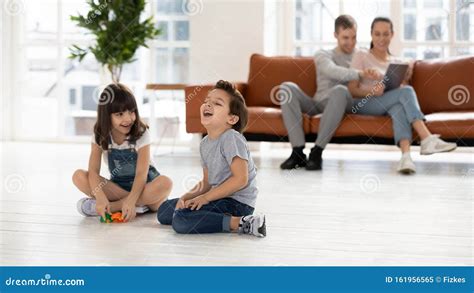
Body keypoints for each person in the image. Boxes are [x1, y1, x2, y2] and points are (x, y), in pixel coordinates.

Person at [157, 80, 266, 237]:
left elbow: (241, 180)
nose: (208, 105)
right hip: (217, 198)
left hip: (237, 203)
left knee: (181, 220)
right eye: (207, 101)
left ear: (232, 119)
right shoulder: (204, 144)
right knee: (165, 210)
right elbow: (207, 182)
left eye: (217, 103)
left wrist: (205, 198)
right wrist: (185, 197)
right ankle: (207, 216)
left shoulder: (231, 138)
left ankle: (241, 222)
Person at [348, 17, 457, 174]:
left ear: (392, 35)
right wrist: (372, 91)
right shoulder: (361, 55)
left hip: (387, 102)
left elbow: (397, 90)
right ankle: (426, 138)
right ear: (371, 35)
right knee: (406, 92)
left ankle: (406, 157)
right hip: (363, 103)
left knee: (399, 106)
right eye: (377, 34)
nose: (381, 39)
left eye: (386, 34)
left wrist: (402, 79)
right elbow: (351, 90)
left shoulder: (396, 61)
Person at [280, 14, 379, 171]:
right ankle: (297, 152)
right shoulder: (323, 55)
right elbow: (332, 71)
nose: (351, 42)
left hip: (343, 102)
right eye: (346, 37)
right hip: (318, 102)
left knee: (340, 90)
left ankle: (317, 151)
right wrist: (360, 73)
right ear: (335, 35)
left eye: (354, 37)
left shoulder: (361, 56)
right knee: (286, 87)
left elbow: (378, 69)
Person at [72, 83, 172, 221]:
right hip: (119, 186)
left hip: (144, 184)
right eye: (119, 114)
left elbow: (141, 174)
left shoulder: (142, 134)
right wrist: (100, 198)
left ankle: (114, 206)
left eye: (131, 112)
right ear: (107, 115)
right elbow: (93, 172)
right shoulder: (100, 135)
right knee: (79, 176)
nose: (128, 119)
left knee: (166, 183)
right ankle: (141, 204)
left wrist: (130, 200)